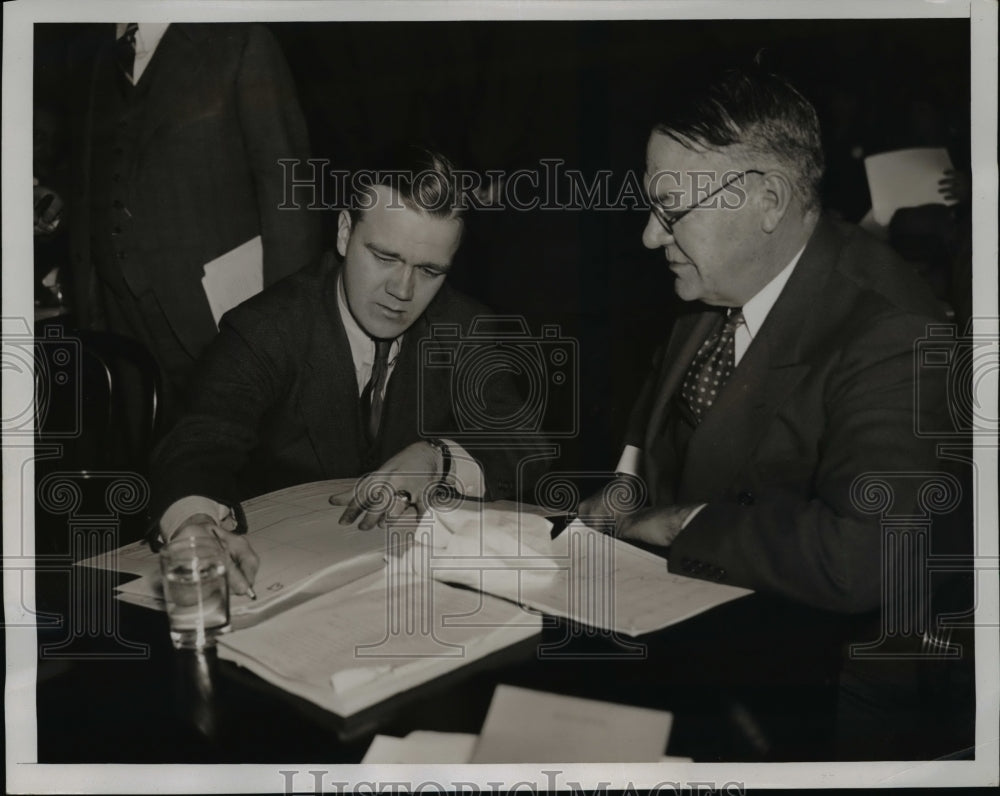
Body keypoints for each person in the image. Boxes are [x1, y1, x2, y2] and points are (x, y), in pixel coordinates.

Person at [579, 64, 952, 615]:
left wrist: (682, 523)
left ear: (770, 200)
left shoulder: (894, 333)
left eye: (673, 210)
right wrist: (626, 485)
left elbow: (866, 557)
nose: (651, 235)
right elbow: (662, 423)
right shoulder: (715, 274)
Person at [149, 147, 532, 593]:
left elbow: (525, 445)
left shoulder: (465, 326)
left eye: (429, 270)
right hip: (282, 579)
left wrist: (437, 459)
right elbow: (197, 444)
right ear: (345, 233)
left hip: (408, 587)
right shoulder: (267, 328)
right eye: (385, 257)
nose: (402, 290)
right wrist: (195, 525)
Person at [65, 23, 322, 422]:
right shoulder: (95, 54)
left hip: (222, 324)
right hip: (122, 330)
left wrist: (282, 335)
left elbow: (290, 195)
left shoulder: (239, 39)